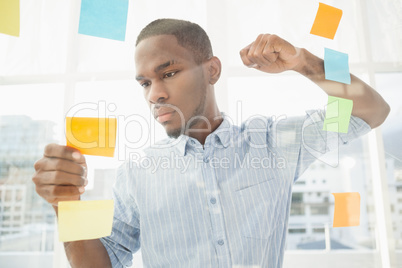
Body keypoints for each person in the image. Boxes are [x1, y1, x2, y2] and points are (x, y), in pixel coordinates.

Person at [32, 18, 390, 268]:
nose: (155, 94)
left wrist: (303, 61)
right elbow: (102, 264)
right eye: (144, 83)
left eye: (169, 73)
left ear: (212, 70)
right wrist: (66, 205)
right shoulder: (137, 173)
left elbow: (372, 109)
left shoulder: (272, 144)